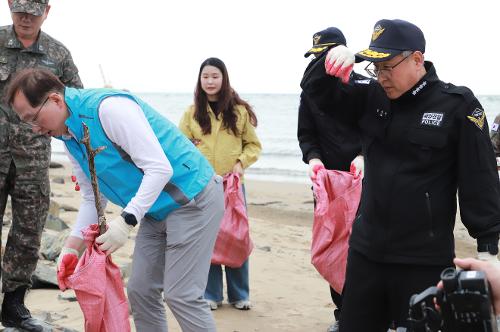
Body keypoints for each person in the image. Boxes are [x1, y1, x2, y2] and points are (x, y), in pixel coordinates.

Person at [6, 68, 225, 332]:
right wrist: (71, 249)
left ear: (55, 100)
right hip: (156, 211)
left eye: (34, 118)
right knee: (141, 291)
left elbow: (159, 168)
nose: (36, 129)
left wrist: (126, 221)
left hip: (194, 199)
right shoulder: (70, 136)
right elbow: (91, 196)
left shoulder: (108, 109)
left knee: (182, 295)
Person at [323, 19, 500, 331]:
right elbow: (320, 98)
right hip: (366, 254)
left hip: (423, 261)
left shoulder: (457, 105)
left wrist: (489, 251)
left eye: (388, 66)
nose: (381, 76)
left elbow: (480, 180)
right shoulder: (371, 98)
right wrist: (333, 57)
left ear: (417, 59)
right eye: (375, 69)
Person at [0, 1, 82, 330]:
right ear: (8, 5)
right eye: (19, 9)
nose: (24, 18)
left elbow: (75, 102)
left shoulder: (58, 54)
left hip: (33, 162)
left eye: (32, 12)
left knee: (28, 232)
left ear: (46, 11)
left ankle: (14, 306)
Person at [179, 57, 261, 311]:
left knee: (236, 236)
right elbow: (180, 146)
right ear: (200, 80)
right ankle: (212, 294)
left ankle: (239, 294)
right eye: (206, 76)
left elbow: (253, 146)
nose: (210, 81)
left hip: (234, 185)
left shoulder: (238, 111)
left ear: (223, 78)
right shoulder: (192, 112)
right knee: (209, 239)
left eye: (215, 76)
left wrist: (240, 162)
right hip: (204, 186)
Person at [297, 27, 364, 332]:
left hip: (362, 179)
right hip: (326, 184)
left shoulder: (366, 86)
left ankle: (372, 313)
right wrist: (313, 160)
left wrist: (365, 155)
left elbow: (380, 130)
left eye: (328, 54)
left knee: (364, 248)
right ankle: (343, 315)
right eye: (318, 57)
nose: (324, 61)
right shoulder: (310, 92)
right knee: (333, 248)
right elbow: (306, 134)